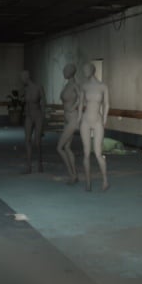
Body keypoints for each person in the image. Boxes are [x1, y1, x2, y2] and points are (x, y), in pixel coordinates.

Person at [77, 63, 109, 191]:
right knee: (86, 153)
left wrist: (105, 119)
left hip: (97, 121)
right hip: (85, 121)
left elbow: (106, 104)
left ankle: (105, 180)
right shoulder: (84, 86)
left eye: (86, 69)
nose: (84, 72)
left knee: (98, 153)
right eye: (83, 69)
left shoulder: (103, 86)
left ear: (92, 70)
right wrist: (79, 118)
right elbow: (80, 104)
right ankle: (88, 182)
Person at [56, 64, 81, 182]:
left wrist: (73, 107)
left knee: (59, 148)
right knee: (66, 147)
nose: (63, 72)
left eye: (65, 70)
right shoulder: (67, 85)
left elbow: (82, 98)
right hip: (66, 118)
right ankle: (74, 175)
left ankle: (72, 175)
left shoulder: (75, 85)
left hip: (72, 118)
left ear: (70, 72)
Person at [21, 70, 45, 173]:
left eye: (22, 78)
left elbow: (43, 103)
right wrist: (25, 115)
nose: (21, 80)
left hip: (38, 115)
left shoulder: (38, 87)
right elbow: (26, 104)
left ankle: (40, 163)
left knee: (37, 142)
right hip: (29, 116)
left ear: (26, 77)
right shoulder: (26, 89)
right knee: (27, 140)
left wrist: (43, 121)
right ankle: (29, 166)